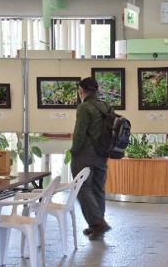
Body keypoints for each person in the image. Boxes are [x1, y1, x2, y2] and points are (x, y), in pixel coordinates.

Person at [70, 77, 111, 240]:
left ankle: (98, 223)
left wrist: (74, 151)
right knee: (97, 188)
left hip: (86, 154)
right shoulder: (105, 106)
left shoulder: (84, 108)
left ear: (81, 90)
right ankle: (96, 223)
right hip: (102, 153)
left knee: (82, 188)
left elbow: (79, 134)